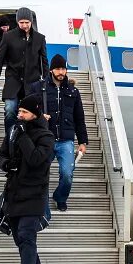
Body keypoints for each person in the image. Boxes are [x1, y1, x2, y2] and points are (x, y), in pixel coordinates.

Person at [0, 93, 55, 264]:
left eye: (24, 112)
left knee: (27, 236)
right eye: (19, 111)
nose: (19, 114)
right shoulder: (14, 130)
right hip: (14, 193)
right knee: (21, 240)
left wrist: (22, 138)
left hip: (34, 194)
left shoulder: (46, 137)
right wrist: (5, 164)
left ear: (34, 114)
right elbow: (1, 154)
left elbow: (36, 160)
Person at [0, 7, 47, 135]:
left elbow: (44, 62)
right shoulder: (8, 37)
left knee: (31, 114)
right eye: (21, 22)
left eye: (27, 22)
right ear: (17, 22)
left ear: (31, 22)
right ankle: (10, 139)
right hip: (13, 82)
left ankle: (27, 139)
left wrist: (46, 82)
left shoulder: (40, 39)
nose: (24, 25)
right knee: (10, 109)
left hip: (32, 83)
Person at [42, 54, 88, 212]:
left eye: (63, 68)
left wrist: (83, 142)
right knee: (40, 172)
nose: (61, 72)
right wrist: (40, 116)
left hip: (66, 140)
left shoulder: (73, 91)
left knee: (67, 174)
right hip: (45, 139)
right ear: (51, 70)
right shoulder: (40, 88)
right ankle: (40, 201)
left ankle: (60, 197)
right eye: (58, 69)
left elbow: (79, 118)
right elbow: (29, 110)